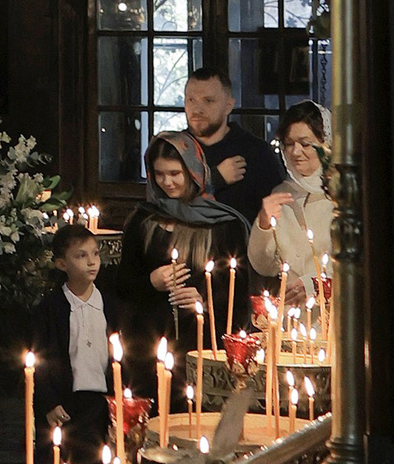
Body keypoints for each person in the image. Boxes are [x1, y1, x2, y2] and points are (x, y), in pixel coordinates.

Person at [121, 128, 250, 362]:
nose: (167, 182)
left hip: (203, 343)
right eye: (159, 174)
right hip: (149, 343)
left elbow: (237, 295)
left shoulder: (223, 226)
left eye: (175, 173)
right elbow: (123, 286)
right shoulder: (142, 221)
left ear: (193, 172)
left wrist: (203, 302)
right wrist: (150, 282)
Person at [30, 223, 127, 464]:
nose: (92, 262)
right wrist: (49, 403)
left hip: (101, 404)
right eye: (81, 256)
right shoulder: (50, 309)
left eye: (95, 254)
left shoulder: (110, 306)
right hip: (66, 403)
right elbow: (40, 359)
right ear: (62, 264)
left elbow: (121, 357)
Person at [249, 101, 333, 306]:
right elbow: (264, 266)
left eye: (305, 144)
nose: (295, 152)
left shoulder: (345, 195)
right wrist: (264, 224)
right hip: (293, 314)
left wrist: (317, 285)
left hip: (337, 312)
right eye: (289, 143)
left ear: (325, 145)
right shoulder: (281, 194)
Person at [181, 65, 283, 228]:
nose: (197, 109)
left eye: (208, 101)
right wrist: (215, 178)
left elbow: (274, 214)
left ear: (228, 106)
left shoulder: (256, 152)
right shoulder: (173, 149)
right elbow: (165, 204)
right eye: (191, 100)